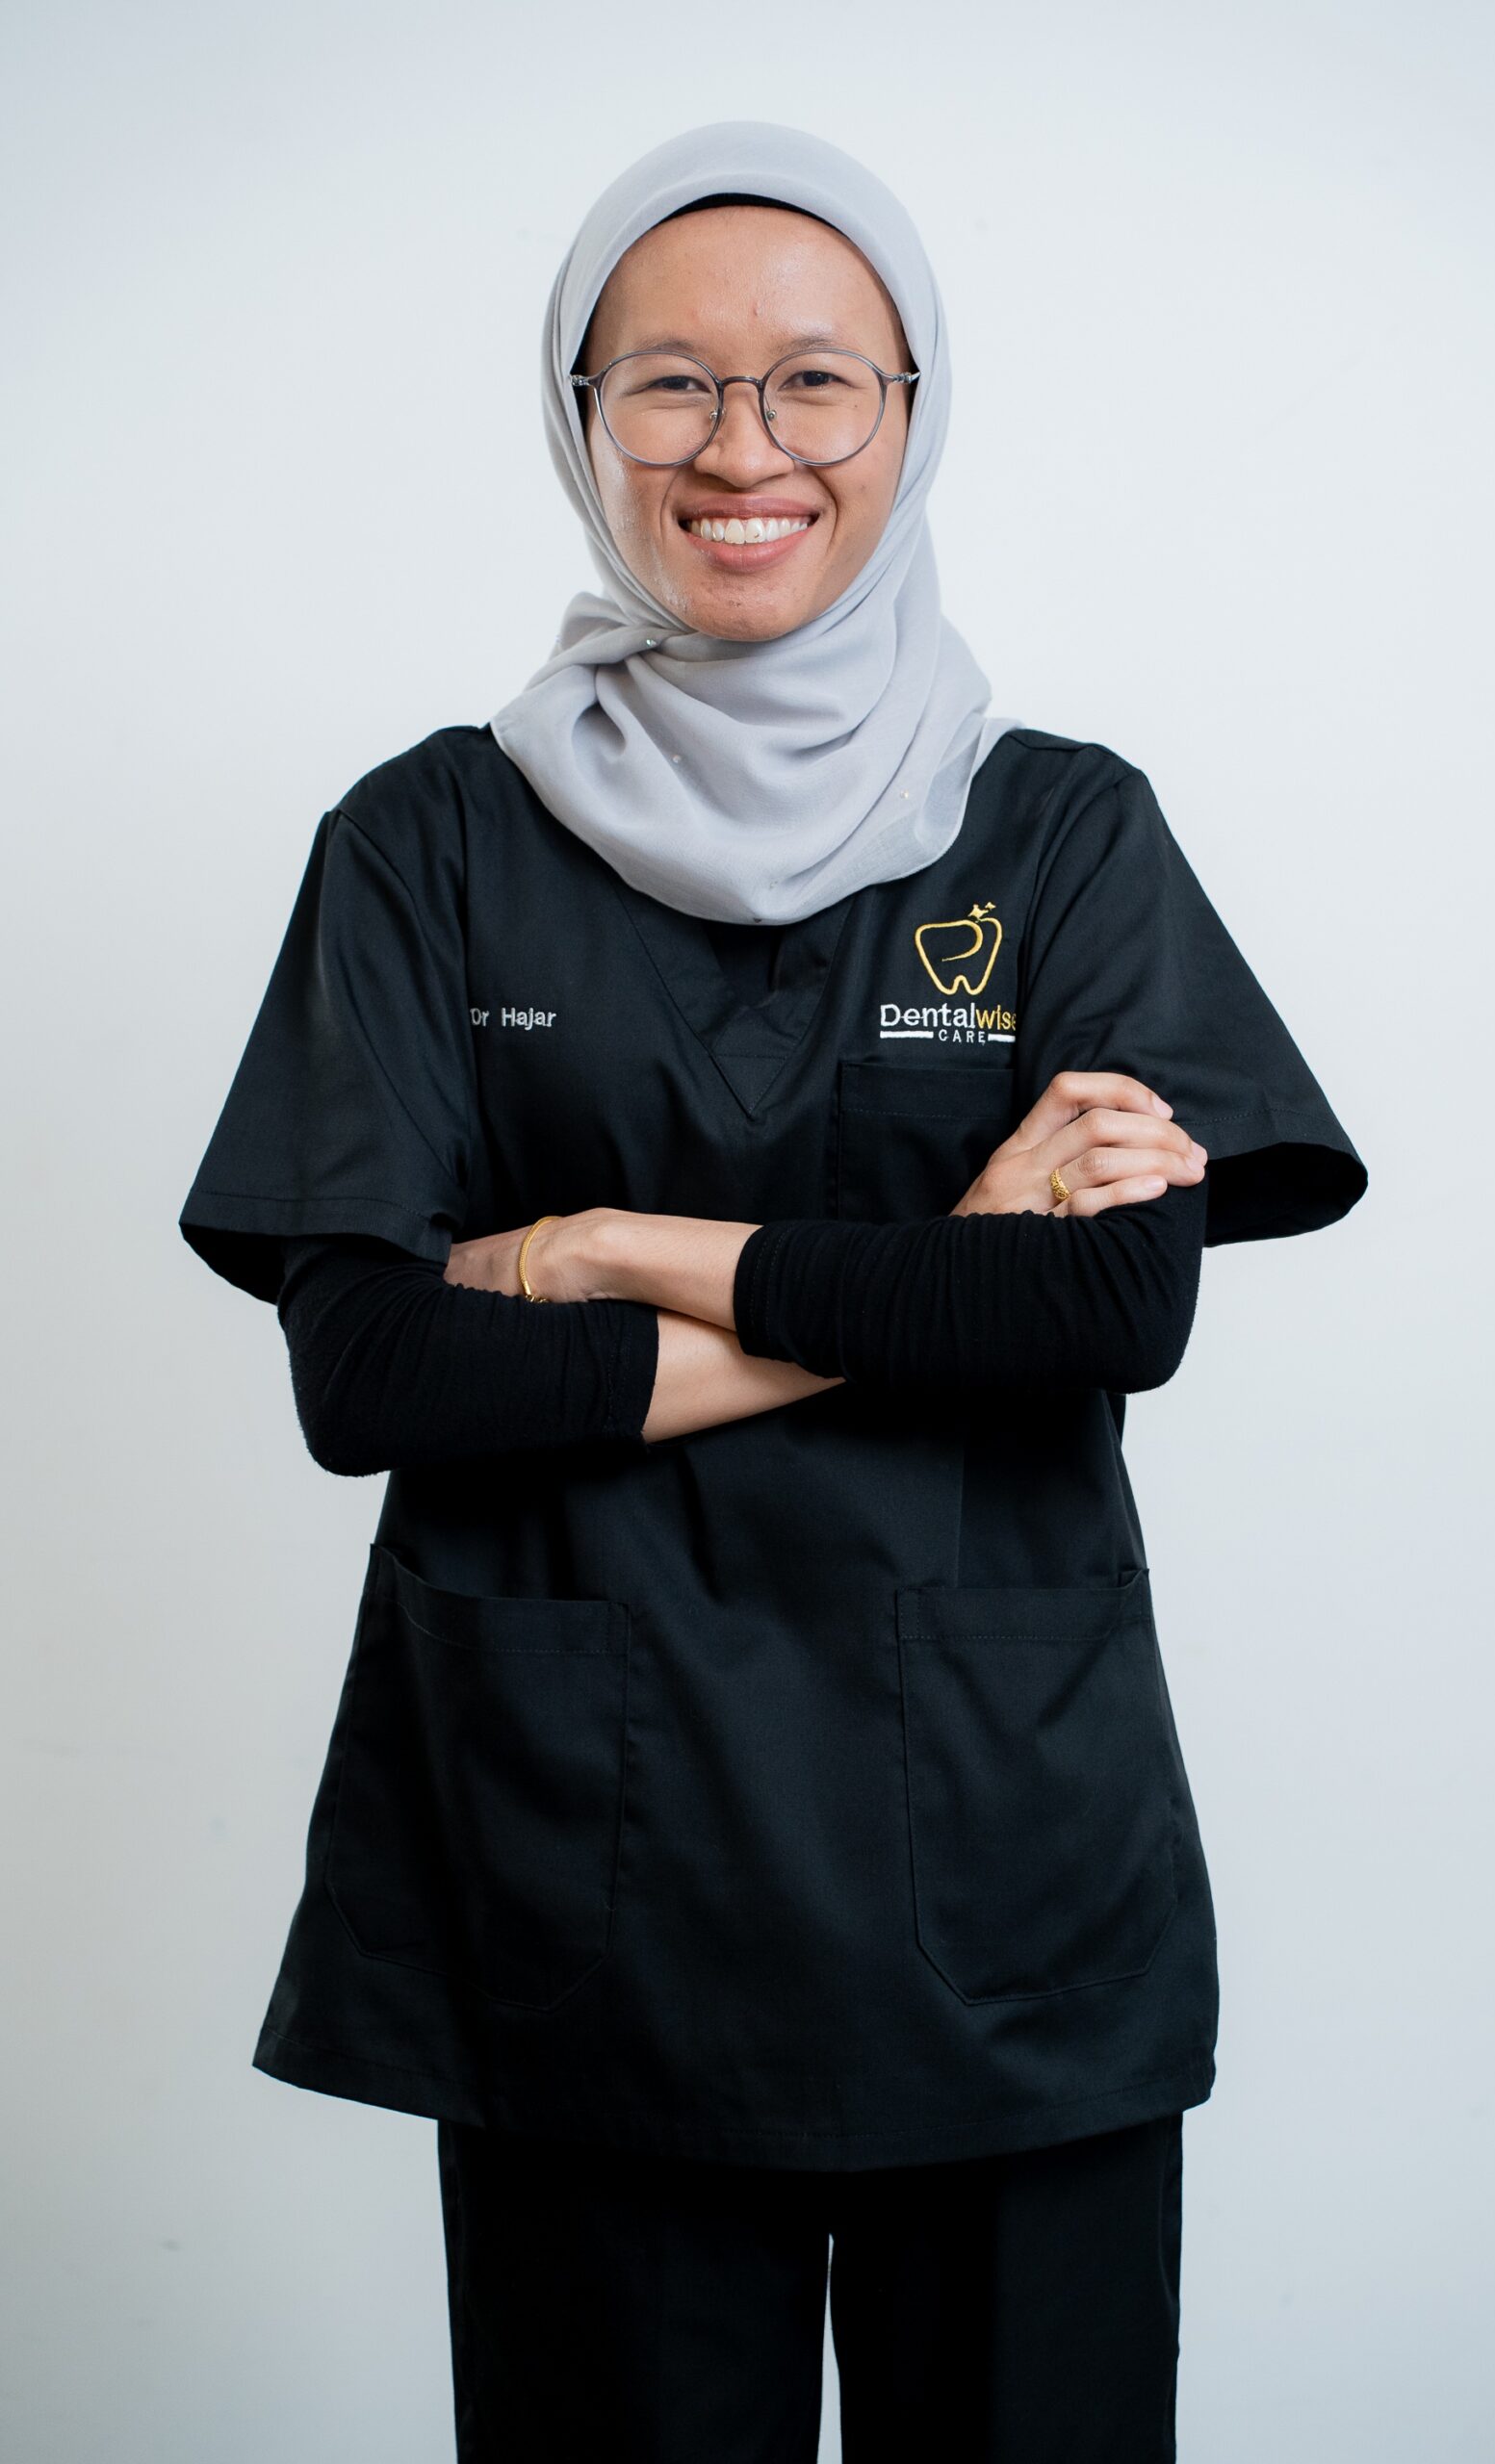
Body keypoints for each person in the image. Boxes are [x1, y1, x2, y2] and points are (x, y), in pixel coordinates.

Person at [179, 120, 1367, 2464]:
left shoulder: (1060, 833)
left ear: (910, 411)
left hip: (998, 1880)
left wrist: (605, 1248)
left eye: (816, 379)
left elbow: (1103, 1312)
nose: (743, 450)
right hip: (582, 1892)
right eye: (668, 383)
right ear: (579, 416)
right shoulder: (423, 843)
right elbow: (374, 1365)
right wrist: (942, 1273)